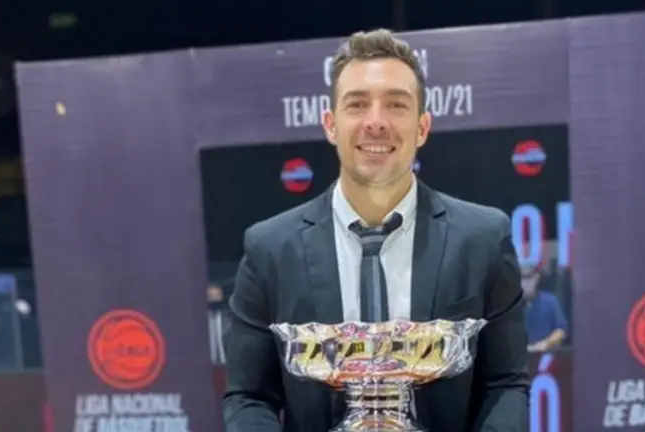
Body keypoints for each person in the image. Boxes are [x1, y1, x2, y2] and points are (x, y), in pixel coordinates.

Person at [222, 28, 529, 432]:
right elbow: (249, 397)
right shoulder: (269, 249)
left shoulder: (484, 239)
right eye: (357, 104)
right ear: (330, 124)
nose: (376, 122)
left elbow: (505, 386)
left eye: (396, 105)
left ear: (422, 127)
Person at [521, 266, 567, 352]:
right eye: (521, 278)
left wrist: (546, 343)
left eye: (528, 278)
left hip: (544, 354)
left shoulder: (549, 301)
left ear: (537, 278)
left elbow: (560, 331)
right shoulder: (507, 304)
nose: (525, 283)